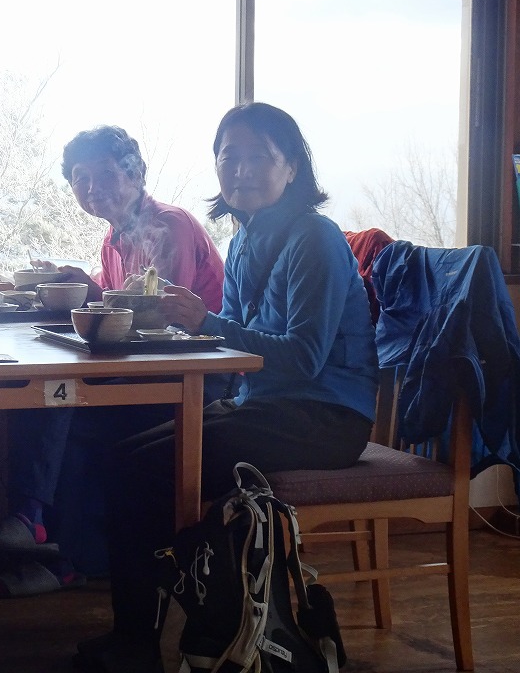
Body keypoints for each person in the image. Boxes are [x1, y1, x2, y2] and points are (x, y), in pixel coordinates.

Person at [73, 103, 379, 673]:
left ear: (293, 167)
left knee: (143, 472)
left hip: (325, 419)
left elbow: (303, 358)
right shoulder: (244, 241)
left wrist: (205, 322)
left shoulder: (314, 238)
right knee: (120, 457)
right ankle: (140, 633)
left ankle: (144, 641)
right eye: (228, 156)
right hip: (266, 407)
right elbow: (231, 347)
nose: (241, 169)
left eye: (259, 156)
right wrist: (184, 325)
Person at [0, 125, 225, 596]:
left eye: (105, 174)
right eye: (80, 178)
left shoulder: (168, 225)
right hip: (150, 370)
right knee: (44, 396)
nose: (92, 188)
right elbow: (120, 308)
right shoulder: (114, 238)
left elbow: (156, 317)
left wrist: (95, 300)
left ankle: (48, 537)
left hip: (199, 378)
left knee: (66, 405)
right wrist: (85, 287)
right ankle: (52, 543)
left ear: (137, 173)